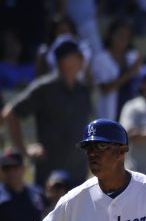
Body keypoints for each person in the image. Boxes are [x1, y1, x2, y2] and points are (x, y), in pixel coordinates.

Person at [3, 35, 93, 185]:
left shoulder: (83, 90)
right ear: (64, 59)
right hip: (50, 178)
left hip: (78, 174)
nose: (82, 59)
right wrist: (24, 150)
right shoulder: (45, 88)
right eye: (77, 55)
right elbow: (10, 113)